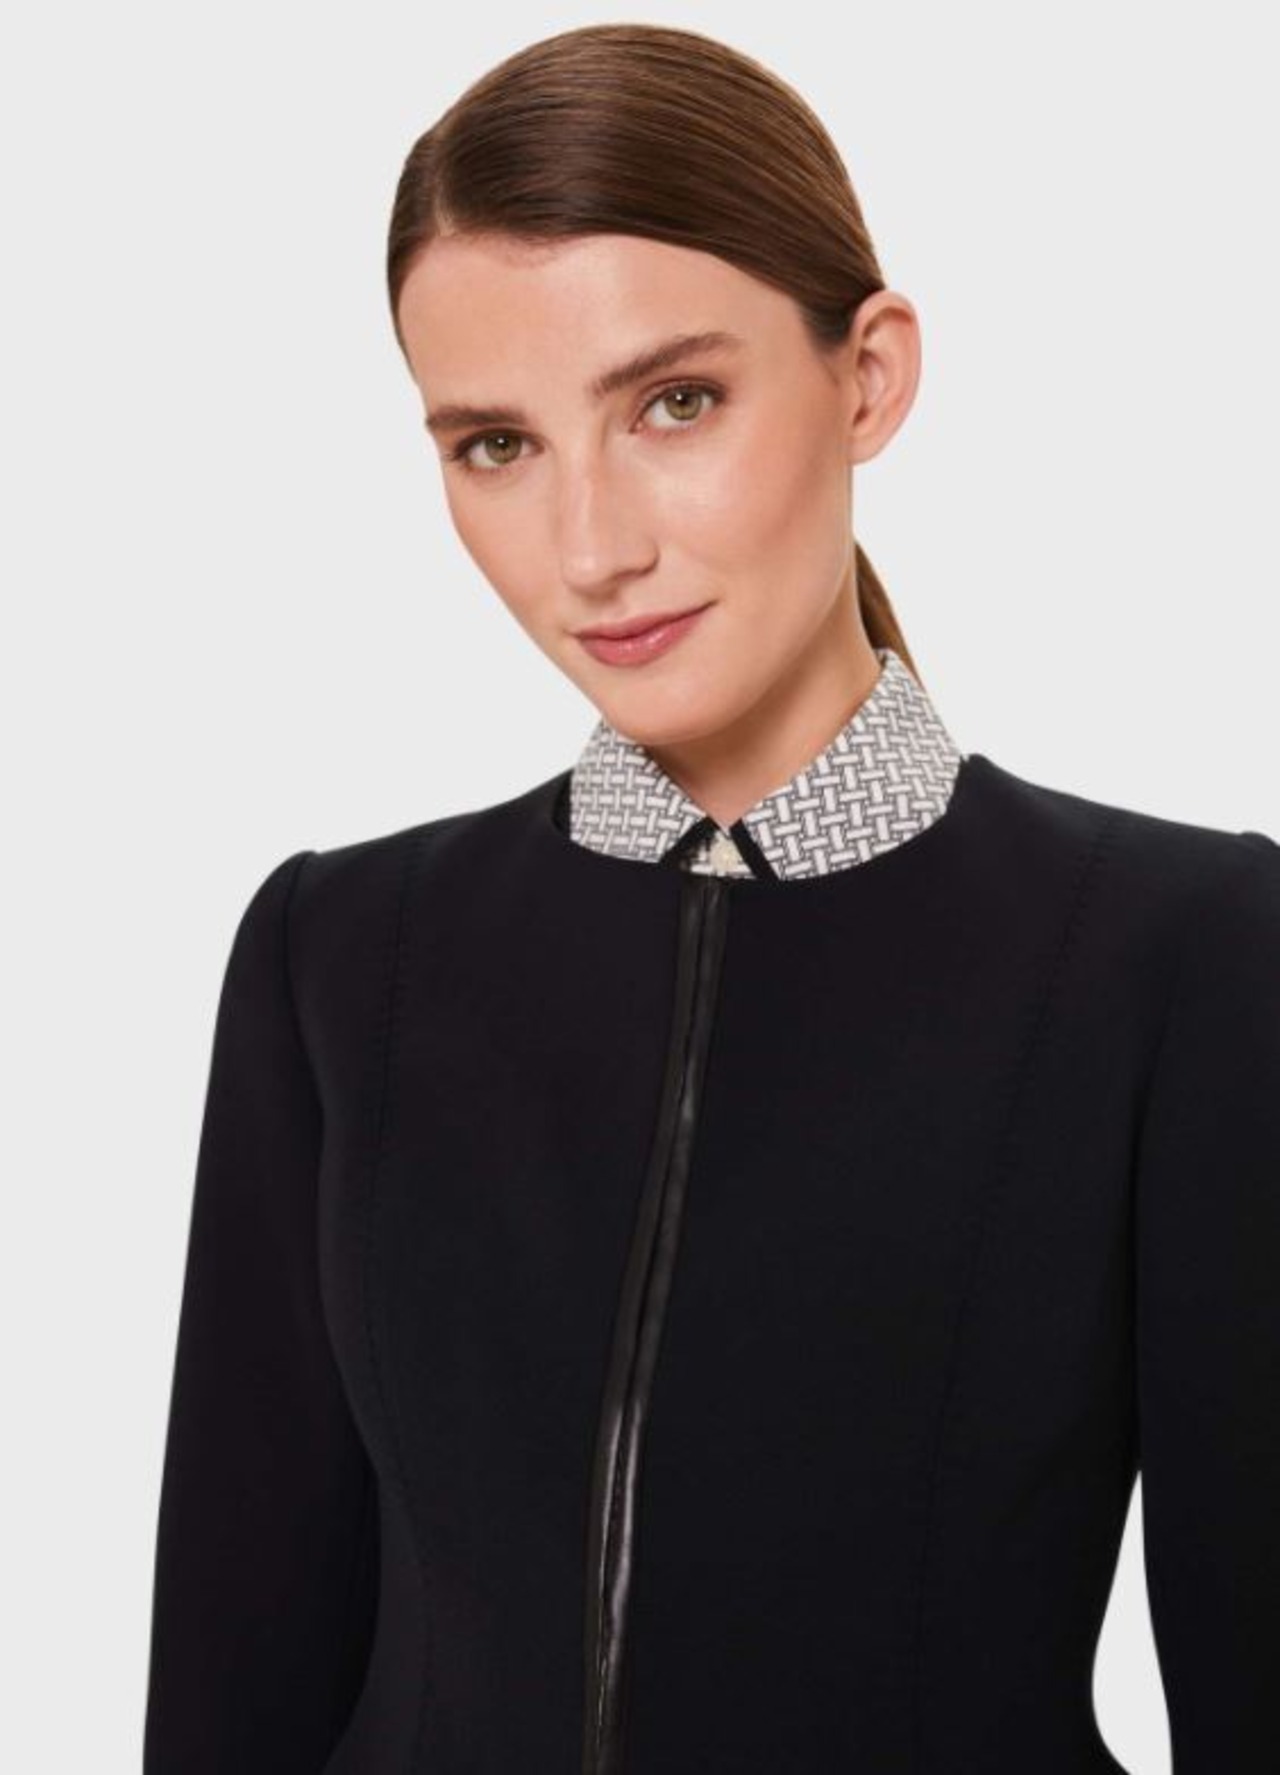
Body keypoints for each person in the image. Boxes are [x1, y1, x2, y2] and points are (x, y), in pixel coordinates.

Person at [141, 23, 1280, 1775]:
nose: (591, 547)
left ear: (868, 377)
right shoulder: (339, 955)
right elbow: (234, 1682)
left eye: (674, 402)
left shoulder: (1185, 955)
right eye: (497, 444)